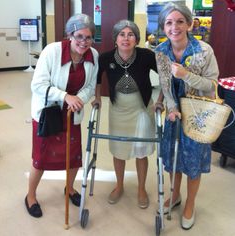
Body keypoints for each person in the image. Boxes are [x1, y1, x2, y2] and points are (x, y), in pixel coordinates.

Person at [25, 13, 99, 218]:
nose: (84, 42)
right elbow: (37, 85)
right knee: (41, 158)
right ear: (69, 35)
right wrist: (66, 96)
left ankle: (70, 188)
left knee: (74, 157)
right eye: (79, 36)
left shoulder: (93, 55)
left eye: (89, 37)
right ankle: (30, 196)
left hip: (71, 114)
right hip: (48, 114)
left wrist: (79, 99)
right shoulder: (52, 52)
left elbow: (91, 86)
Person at [155, 3, 219, 230]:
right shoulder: (161, 51)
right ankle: (175, 196)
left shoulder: (204, 50)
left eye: (180, 21)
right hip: (175, 115)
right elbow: (165, 84)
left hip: (198, 114)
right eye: (169, 23)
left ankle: (190, 203)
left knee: (192, 161)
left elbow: (212, 85)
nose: (174, 27)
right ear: (163, 26)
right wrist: (171, 108)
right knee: (173, 160)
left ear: (189, 24)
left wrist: (186, 75)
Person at [92, 20, 158, 209]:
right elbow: (97, 79)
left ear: (137, 39)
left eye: (131, 35)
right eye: (122, 34)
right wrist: (97, 98)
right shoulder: (106, 58)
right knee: (119, 149)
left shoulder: (146, 56)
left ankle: (141, 189)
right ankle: (119, 185)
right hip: (118, 110)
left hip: (142, 109)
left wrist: (160, 100)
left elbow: (164, 76)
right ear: (115, 39)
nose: (126, 38)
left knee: (141, 151)